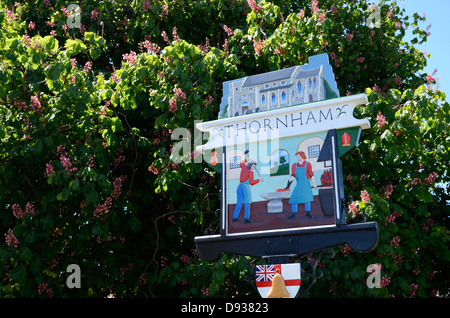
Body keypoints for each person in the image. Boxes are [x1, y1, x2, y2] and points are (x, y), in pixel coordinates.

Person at [232, 158, 263, 223]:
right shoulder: (250, 173)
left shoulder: (244, 167)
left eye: (254, 167)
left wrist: (247, 159)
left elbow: (241, 163)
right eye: (253, 166)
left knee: (239, 202)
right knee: (247, 202)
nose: (253, 168)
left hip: (240, 186)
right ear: (251, 165)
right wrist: (258, 180)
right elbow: (251, 183)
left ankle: (234, 217)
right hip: (245, 187)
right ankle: (246, 219)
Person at [288, 151, 317, 218]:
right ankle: (293, 213)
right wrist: (290, 179)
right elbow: (293, 175)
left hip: (306, 183)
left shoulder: (308, 164)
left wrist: (314, 184)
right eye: (297, 156)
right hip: (299, 184)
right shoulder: (294, 165)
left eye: (299, 156)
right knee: (293, 198)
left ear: (302, 156)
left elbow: (311, 175)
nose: (298, 157)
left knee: (307, 198)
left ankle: (308, 212)